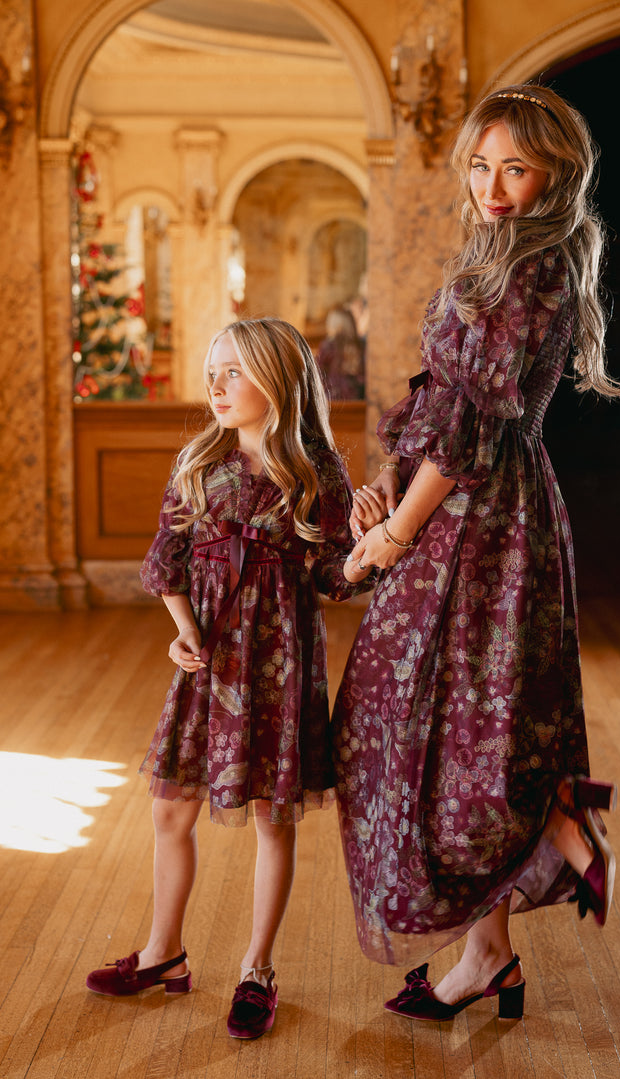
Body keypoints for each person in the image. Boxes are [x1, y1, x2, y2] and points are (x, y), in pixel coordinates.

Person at [333, 84, 620, 1022]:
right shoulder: (513, 256)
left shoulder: (529, 266)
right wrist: (389, 484)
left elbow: (464, 433)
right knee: (465, 716)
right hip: (489, 509)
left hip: (477, 519)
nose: (493, 184)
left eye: (516, 167)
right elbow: (441, 409)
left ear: (555, 175)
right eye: (480, 164)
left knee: (423, 715)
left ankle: (550, 825)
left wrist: (393, 531)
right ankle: (491, 947)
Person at [86, 317, 371, 1039]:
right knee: (170, 810)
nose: (216, 385)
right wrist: (183, 632)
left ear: (277, 381)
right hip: (210, 667)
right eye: (213, 371)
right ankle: (164, 952)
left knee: (274, 819)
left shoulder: (316, 474)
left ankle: (257, 967)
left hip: (277, 670)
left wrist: (369, 546)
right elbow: (166, 561)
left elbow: (335, 575)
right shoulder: (197, 464)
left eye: (233, 372)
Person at [315, 306, 365, 400]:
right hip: (357, 398)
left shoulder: (329, 345)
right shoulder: (361, 345)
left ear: (334, 325)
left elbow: (317, 373)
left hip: (333, 398)